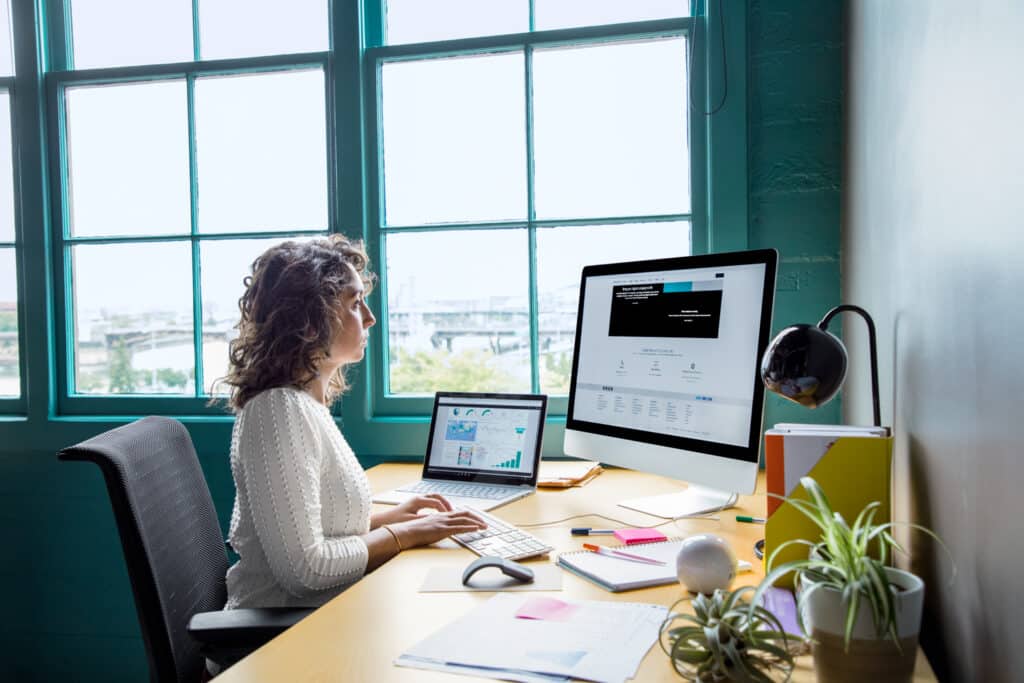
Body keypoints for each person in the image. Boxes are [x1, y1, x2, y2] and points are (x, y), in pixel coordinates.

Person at [220, 235, 486, 609]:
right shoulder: (278, 412)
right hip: (279, 639)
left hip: (327, 617)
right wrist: (404, 534)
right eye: (355, 302)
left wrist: (389, 520)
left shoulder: (306, 406)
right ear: (309, 322)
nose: (370, 317)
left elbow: (321, 530)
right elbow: (305, 570)